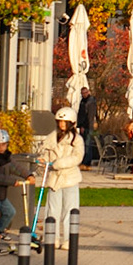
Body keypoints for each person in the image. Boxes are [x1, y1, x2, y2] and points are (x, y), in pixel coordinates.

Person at [44, 107, 84, 247]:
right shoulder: (51, 137)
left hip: (69, 178)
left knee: (70, 210)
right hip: (54, 178)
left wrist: (59, 163)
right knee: (52, 210)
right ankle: (52, 237)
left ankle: (68, 239)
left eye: (64, 122)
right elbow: (44, 153)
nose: (61, 125)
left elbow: (77, 157)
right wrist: (43, 161)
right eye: (60, 121)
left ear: (71, 123)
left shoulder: (77, 139)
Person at [76, 86, 99, 167]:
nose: (84, 94)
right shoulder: (83, 101)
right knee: (84, 144)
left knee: (87, 144)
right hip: (85, 125)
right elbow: (81, 114)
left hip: (88, 126)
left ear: (88, 92)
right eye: (82, 93)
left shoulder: (90, 102)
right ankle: (85, 161)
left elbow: (89, 116)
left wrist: (84, 126)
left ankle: (86, 162)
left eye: (85, 93)